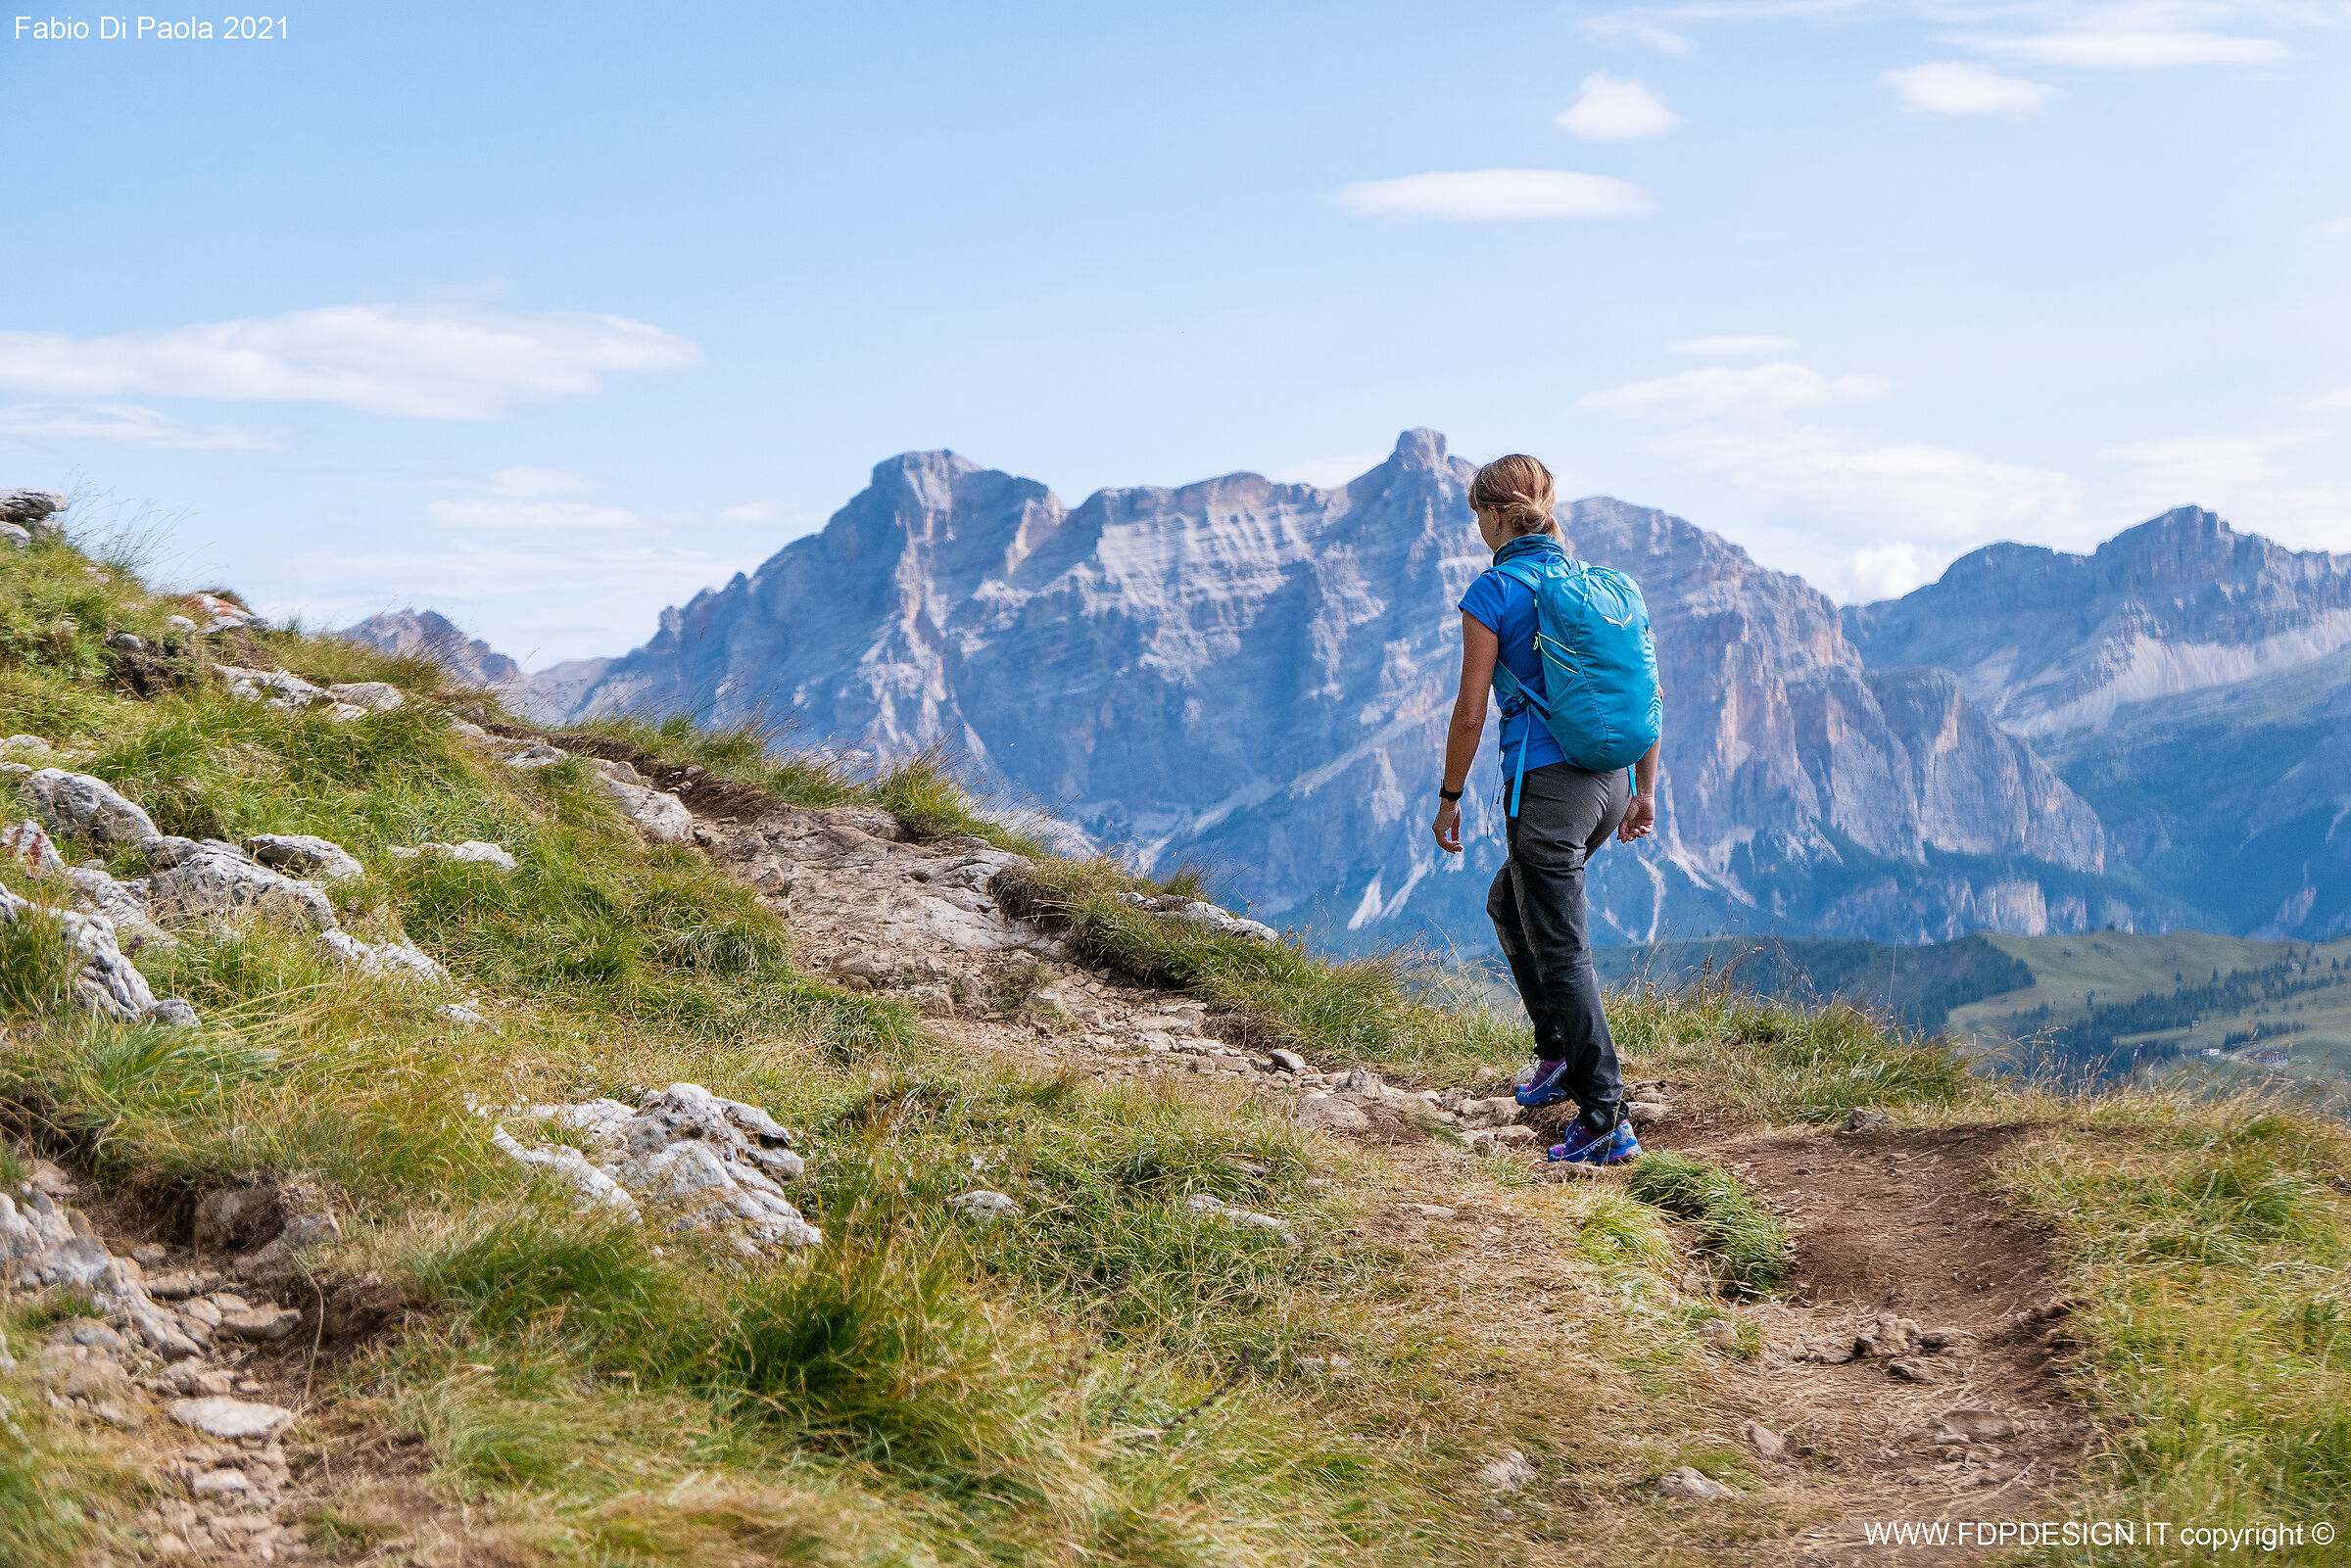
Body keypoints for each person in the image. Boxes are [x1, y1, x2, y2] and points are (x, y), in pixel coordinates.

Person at [1430, 454, 1660, 1165]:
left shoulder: (1493, 590)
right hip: (1610, 783)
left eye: (1478, 517)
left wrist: (1449, 797)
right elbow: (1642, 692)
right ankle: (1557, 1052)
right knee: (1511, 901)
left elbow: (1471, 713)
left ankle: (1603, 1115)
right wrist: (1645, 790)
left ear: (1495, 517)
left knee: (1561, 945)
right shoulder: (1595, 584)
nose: (1477, 529)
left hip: (1550, 791)